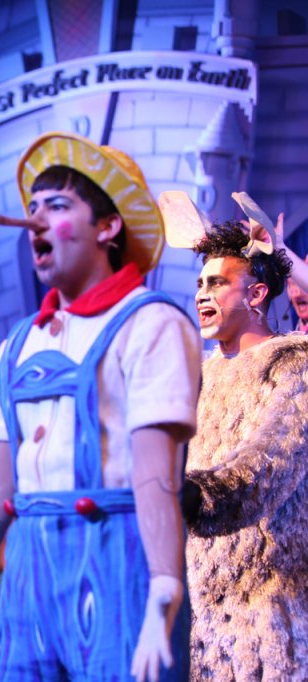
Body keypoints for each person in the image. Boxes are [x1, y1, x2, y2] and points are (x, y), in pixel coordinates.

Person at [0, 132, 202, 681]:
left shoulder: (151, 325)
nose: (35, 221)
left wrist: (163, 584)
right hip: (29, 575)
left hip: (117, 562)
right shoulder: (19, 344)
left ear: (108, 227)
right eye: (32, 207)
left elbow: (155, 477)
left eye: (57, 206)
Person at [181, 219, 308, 679]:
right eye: (199, 284)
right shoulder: (198, 376)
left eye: (217, 283)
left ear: (256, 295)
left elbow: (271, 461)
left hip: (275, 606)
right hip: (205, 610)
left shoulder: (293, 361)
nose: (202, 295)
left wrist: (192, 495)